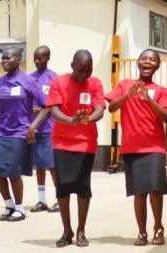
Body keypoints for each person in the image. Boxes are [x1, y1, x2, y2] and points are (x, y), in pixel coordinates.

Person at [105, 49, 167, 246]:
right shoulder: (125, 84)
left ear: (157, 66)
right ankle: (142, 232)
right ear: (138, 63)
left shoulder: (161, 90)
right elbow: (111, 108)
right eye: (144, 58)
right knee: (139, 192)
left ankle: (158, 228)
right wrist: (127, 96)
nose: (147, 61)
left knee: (155, 189)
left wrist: (149, 99)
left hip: (154, 147)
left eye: (152, 59)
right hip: (132, 147)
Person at [45, 50, 105, 247]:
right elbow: (54, 110)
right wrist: (71, 120)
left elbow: (99, 109)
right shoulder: (59, 82)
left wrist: (89, 119)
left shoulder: (95, 83)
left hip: (85, 143)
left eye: (88, 71)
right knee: (62, 188)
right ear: (72, 65)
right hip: (62, 141)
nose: (84, 75)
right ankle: (66, 230)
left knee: (82, 186)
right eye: (80, 70)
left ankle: (81, 230)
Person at [0, 46, 45, 222]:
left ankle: (20, 208)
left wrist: (32, 127)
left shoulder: (28, 81)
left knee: (13, 172)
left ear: (18, 60)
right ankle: (9, 204)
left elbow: (46, 106)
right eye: (2, 58)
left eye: (7, 58)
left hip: (20, 133)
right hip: (2, 133)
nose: (4, 61)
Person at [29, 46, 59, 213]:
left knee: (52, 165)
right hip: (35, 129)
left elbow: (55, 103)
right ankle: (41, 200)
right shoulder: (30, 78)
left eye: (40, 58)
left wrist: (41, 108)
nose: (37, 61)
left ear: (47, 58)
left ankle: (58, 198)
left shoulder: (53, 78)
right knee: (39, 165)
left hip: (49, 128)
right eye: (35, 58)